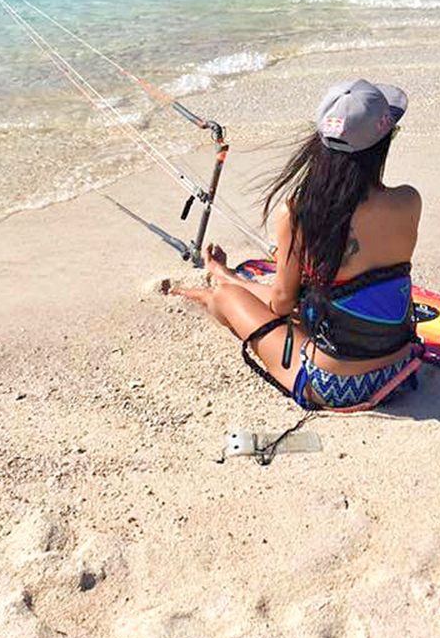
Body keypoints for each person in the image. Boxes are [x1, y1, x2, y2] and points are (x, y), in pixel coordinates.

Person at [173, 79, 423, 410]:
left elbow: (281, 305)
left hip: (335, 385)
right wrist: (233, 274)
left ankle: (206, 291)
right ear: (383, 143)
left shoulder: (299, 214)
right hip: (401, 368)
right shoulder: (408, 201)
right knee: (302, 293)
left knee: (226, 298)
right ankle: (226, 274)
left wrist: (232, 288)